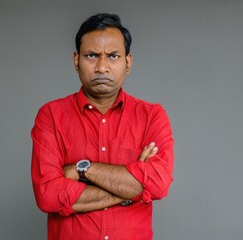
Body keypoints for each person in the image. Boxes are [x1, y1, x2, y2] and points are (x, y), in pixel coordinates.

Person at [31, 13, 174, 240]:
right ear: (76, 60)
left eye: (113, 56)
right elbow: (48, 196)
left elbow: (157, 184)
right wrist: (131, 189)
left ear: (128, 63)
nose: (102, 67)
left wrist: (81, 169)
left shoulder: (152, 116)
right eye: (92, 55)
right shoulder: (51, 116)